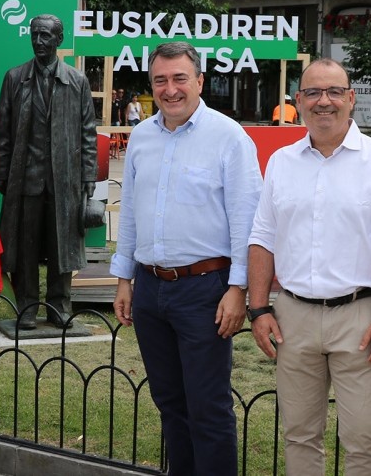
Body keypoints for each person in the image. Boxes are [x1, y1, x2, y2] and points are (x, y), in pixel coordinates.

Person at [247, 59, 371, 475]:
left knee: (363, 438)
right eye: (314, 93)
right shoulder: (282, 161)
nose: (325, 101)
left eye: (335, 91)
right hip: (293, 316)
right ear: (299, 100)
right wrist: (259, 308)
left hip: (359, 317)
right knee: (299, 434)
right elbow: (263, 237)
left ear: (351, 98)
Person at [111, 42, 262, 475]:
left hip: (206, 291)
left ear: (199, 81)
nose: (170, 89)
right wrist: (123, 279)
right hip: (150, 288)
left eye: (180, 78)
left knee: (207, 408)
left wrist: (238, 289)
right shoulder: (141, 137)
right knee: (170, 404)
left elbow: (247, 220)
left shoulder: (229, 137)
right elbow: (131, 213)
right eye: (160, 80)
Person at [0, 14, 96, 329]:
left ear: (58, 40)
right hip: (26, 180)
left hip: (64, 181)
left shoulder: (77, 81)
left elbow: (87, 134)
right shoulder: (15, 78)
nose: (39, 41)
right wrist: (2, 173)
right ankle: (26, 306)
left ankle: (59, 306)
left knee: (61, 247)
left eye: (46, 36)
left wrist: (88, 178)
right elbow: (2, 132)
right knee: (25, 247)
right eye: (35, 35)